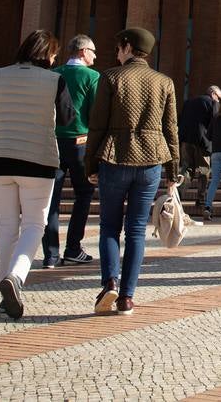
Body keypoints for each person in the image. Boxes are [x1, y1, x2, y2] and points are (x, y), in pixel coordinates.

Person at [0, 29, 74, 319]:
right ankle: (15, 277)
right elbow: (68, 118)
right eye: (53, 54)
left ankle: (5, 295)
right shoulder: (55, 80)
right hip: (37, 160)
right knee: (34, 225)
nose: (54, 59)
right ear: (47, 54)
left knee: (6, 226)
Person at [85, 27, 180, 314]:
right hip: (151, 159)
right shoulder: (164, 82)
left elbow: (98, 124)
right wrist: (173, 171)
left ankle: (110, 282)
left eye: (118, 47)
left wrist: (90, 165)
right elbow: (171, 129)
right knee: (136, 229)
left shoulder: (111, 77)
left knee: (109, 226)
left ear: (126, 47)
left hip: (115, 156)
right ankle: (127, 296)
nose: (117, 52)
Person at [42, 33, 99, 269]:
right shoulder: (91, 76)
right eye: (93, 51)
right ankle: (73, 248)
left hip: (52, 143)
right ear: (83, 51)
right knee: (83, 194)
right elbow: (95, 114)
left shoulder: (53, 74)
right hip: (80, 142)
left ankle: (50, 255)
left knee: (50, 200)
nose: (95, 56)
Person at [178, 85, 221, 214]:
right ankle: (201, 199)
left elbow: (181, 119)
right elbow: (215, 122)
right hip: (203, 141)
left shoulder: (189, 102)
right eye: (219, 97)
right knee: (204, 170)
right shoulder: (212, 103)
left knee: (186, 168)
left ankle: (178, 194)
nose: (219, 100)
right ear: (213, 94)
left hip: (186, 139)